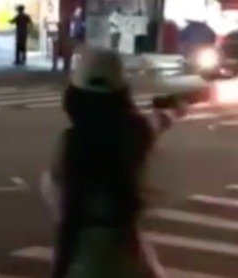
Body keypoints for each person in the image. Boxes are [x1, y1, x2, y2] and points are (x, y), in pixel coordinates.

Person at [43, 46, 176, 277]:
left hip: (83, 262)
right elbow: (158, 122)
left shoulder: (70, 144)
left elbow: (65, 218)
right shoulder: (135, 134)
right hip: (127, 255)